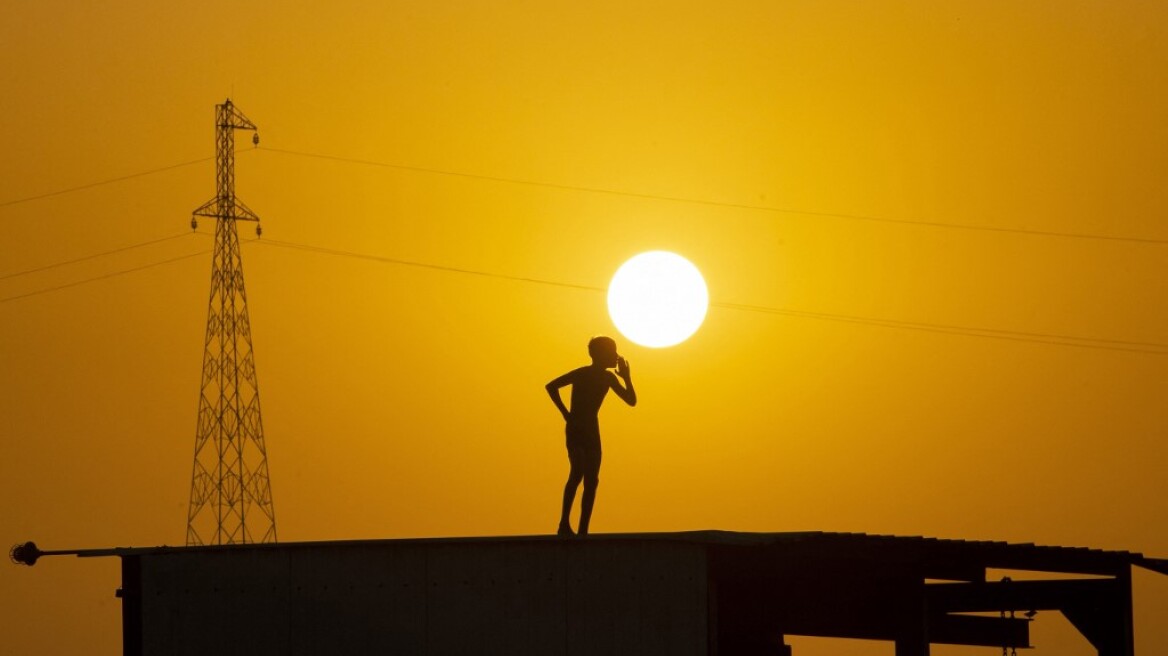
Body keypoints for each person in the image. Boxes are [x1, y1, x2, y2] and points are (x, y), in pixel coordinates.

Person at [545, 335, 637, 536]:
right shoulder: (582, 374)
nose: (616, 356)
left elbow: (631, 401)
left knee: (592, 480)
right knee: (577, 472)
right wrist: (566, 414)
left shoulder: (608, 378)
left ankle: (583, 530)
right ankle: (563, 524)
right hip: (577, 427)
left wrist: (627, 377)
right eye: (612, 353)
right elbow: (551, 386)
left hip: (592, 431)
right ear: (601, 355)